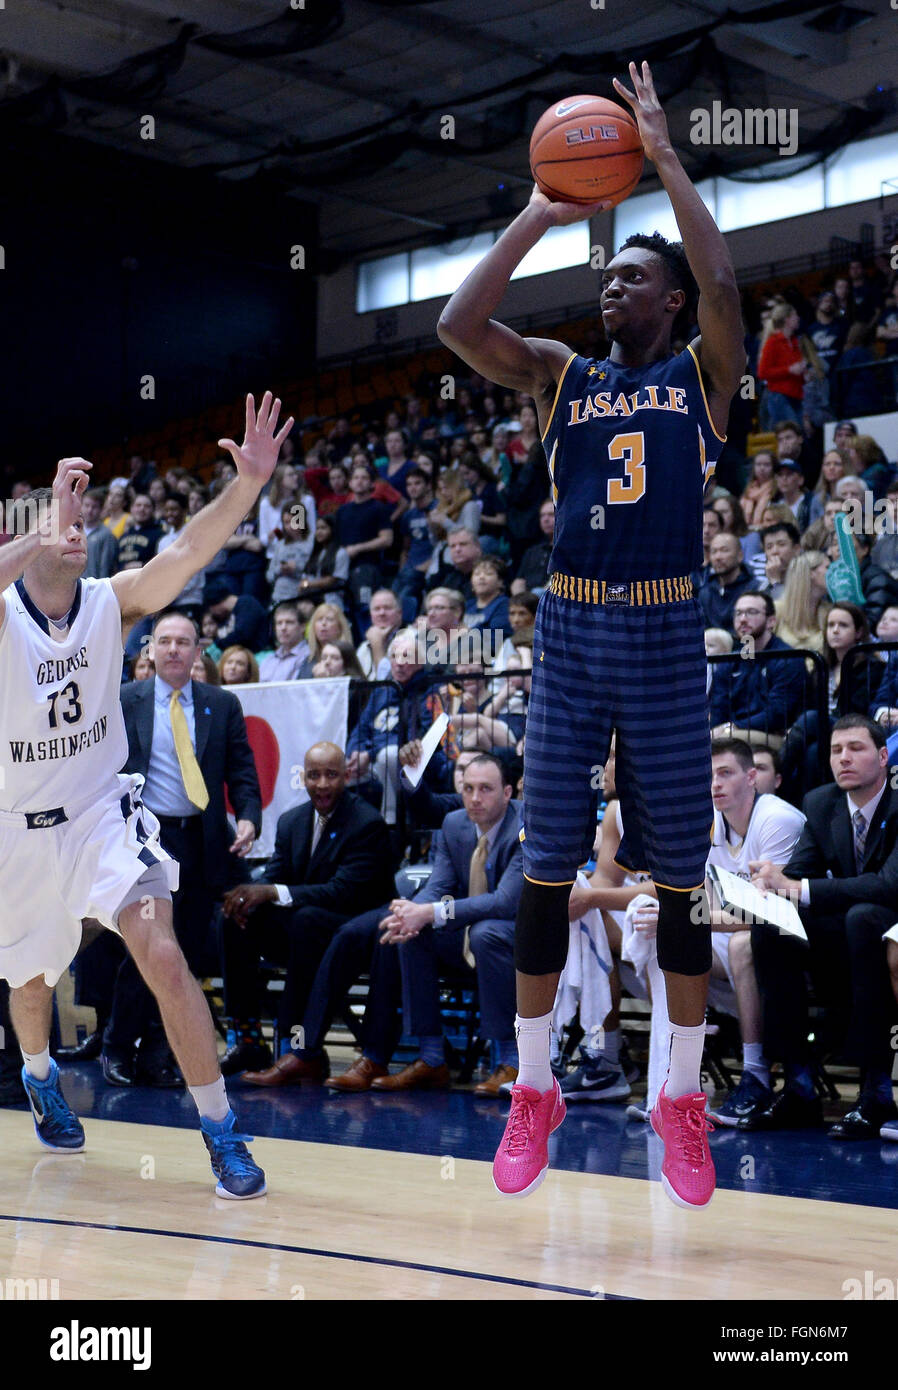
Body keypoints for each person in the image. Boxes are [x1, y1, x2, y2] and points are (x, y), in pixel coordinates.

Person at [436, 61, 744, 1206]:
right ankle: (532, 1088)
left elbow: (723, 280)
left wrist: (662, 157)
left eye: (630, 278)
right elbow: (456, 322)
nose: (610, 290)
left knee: (681, 886)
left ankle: (680, 1096)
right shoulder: (560, 375)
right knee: (544, 873)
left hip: (667, 635)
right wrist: (539, 208)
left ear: (666, 303)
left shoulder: (704, 377)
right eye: (606, 278)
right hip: (572, 632)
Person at [0, 389, 292, 1198]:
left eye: (82, 512)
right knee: (30, 988)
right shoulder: (2, 613)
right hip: (19, 830)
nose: (77, 520)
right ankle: (37, 1074)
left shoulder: (111, 601)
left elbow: (188, 553)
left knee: (163, 955)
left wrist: (247, 486)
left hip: (101, 813)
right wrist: (35, 529)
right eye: (65, 510)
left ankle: (222, 1130)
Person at [101, 611, 262, 1088]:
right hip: (145, 839)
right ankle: (115, 1046)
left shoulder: (222, 703)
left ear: (197, 652)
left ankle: (158, 1053)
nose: (173, 650)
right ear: (150, 651)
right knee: (145, 948)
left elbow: (242, 768)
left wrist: (249, 816)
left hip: (201, 842)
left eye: (183, 642)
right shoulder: (125, 699)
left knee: (185, 955)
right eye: (164, 642)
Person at [748, 716, 898, 1139]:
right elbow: (797, 876)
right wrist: (769, 883)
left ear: (884, 757)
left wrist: (797, 885)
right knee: (771, 928)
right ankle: (798, 1087)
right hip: (855, 923)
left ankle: (876, 1091)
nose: (844, 758)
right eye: (836, 750)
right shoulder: (820, 802)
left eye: (856, 748)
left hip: (889, 918)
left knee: (863, 917)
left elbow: (889, 885)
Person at [219, 742, 397, 1082]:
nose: (322, 784)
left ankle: (296, 1047)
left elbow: (343, 892)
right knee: (232, 915)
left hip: (356, 930)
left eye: (331, 775)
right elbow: (276, 876)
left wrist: (270, 891)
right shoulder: (291, 821)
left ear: (346, 776)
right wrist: (251, 898)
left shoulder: (367, 823)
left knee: (306, 921)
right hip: (308, 926)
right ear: (303, 778)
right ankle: (247, 1036)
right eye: (314, 775)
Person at [372, 755, 525, 1095]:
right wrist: (413, 911)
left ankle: (511, 1061)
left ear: (507, 793)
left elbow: (504, 902)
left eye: (486, 789)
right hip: (472, 931)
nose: (475, 798)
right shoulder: (454, 824)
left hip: (521, 936)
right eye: (468, 789)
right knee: (412, 934)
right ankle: (431, 1058)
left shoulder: (524, 826)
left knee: (485, 934)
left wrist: (430, 912)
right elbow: (438, 885)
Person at [703, 738, 806, 1126]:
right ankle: (673, 1073)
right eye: (710, 775)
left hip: (796, 937)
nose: (715, 783)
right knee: (673, 940)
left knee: (743, 944)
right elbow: (707, 904)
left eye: (725, 773)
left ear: (752, 777)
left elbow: (773, 914)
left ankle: (756, 1074)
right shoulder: (711, 821)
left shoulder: (775, 819)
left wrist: (692, 920)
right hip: (742, 931)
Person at [708, 591, 807, 748]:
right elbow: (718, 707)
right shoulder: (729, 661)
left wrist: (733, 727)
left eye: (751, 612)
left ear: (771, 621)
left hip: (774, 734)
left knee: (723, 739)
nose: (743, 619)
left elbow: (777, 714)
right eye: (738, 613)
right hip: (732, 730)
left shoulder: (787, 658)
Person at [258, 601, 310, 683]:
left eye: (289, 622)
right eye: (279, 623)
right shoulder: (268, 660)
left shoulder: (309, 656)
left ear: (302, 627)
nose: (283, 628)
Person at [81, 489, 118, 579]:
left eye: (94, 507)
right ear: (81, 506)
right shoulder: (74, 531)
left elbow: (105, 567)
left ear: (101, 509)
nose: (90, 510)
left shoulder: (107, 535)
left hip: (95, 586)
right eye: (87, 505)